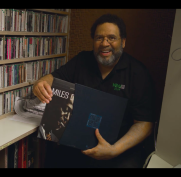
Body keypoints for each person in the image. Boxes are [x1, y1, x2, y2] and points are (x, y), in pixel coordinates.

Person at [33, 13, 155, 168]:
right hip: (78, 141)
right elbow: (54, 78)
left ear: (123, 42)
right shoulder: (82, 60)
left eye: (112, 38)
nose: (105, 43)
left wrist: (114, 150)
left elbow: (145, 123)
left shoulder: (138, 73)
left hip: (120, 147)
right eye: (99, 38)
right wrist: (41, 83)